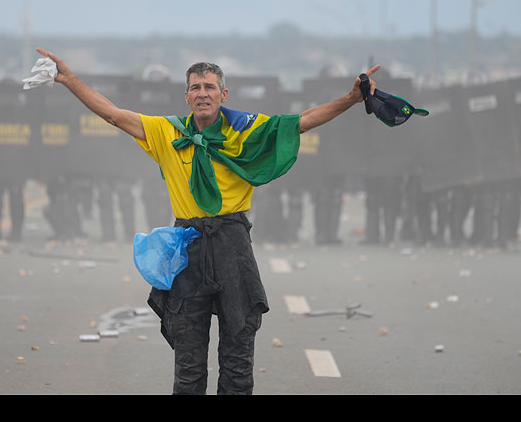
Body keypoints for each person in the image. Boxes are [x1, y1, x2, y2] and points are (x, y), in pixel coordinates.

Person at [35, 47, 379, 395]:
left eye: (210, 87)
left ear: (223, 94)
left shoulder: (246, 130)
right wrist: (69, 80)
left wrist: (350, 99)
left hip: (232, 246)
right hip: (187, 247)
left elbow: (304, 120)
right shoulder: (167, 133)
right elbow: (112, 114)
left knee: (238, 356)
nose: (203, 93)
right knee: (188, 362)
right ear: (186, 96)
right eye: (196, 87)